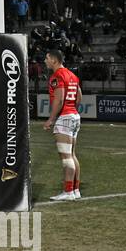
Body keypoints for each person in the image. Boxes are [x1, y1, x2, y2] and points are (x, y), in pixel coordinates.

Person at [43, 49, 82, 202]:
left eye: (47, 58)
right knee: (72, 155)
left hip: (64, 117)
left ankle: (68, 191)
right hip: (74, 116)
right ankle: (75, 189)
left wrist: (51, 119)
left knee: (66, 157)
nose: (45, 61)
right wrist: (72, 110)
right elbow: (78, 97)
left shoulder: (57, 76)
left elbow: (58, 100)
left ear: (54, 60)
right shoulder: (72, 75)